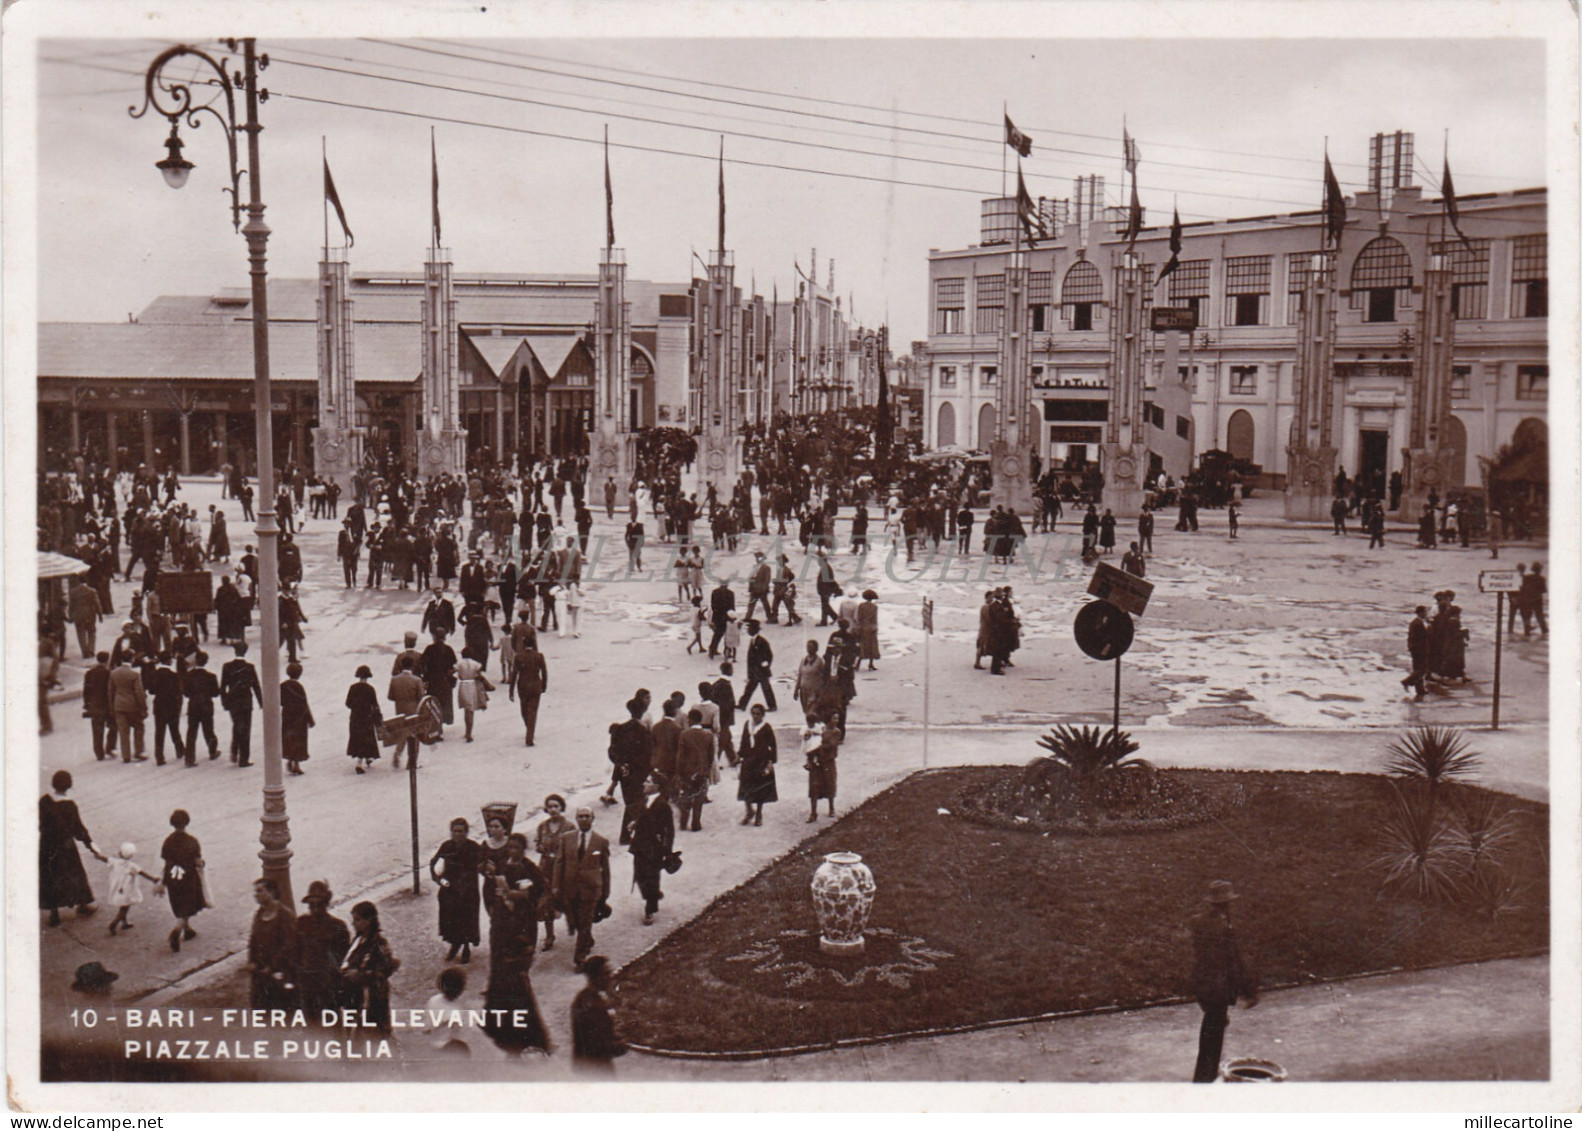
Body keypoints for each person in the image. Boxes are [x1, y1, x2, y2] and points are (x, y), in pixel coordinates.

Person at [1187, 880, 1259, 1083]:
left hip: (1205, 985)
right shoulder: (1224, 927)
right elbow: (1233, 959)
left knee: (1210, 1032)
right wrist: (1248, 990)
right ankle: (1204, 1080)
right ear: (1226, 903)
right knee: (1213, 1038)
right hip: (1219, 987)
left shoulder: (1199, 922)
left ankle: (1204, 1076)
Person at [40, 771, 105, 927]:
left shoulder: (44, 801)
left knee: (50, 877)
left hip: (47, 845)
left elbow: (40, 823)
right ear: (69, 785)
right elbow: (78, 829)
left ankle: (54, 914)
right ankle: (82, 904)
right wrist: (90, 845)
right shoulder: (69, 806)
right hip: (65, 847)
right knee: (75, 875)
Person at [553, 807, 612, 971]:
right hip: (570, 886)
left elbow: (605, 869)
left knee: (585, 921)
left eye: (587, 816)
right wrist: (556, 886)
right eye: (580, 816)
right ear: (576, 819)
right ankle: (588, 939)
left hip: (590, 888)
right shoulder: (566, 838)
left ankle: (580, 957)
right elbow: (559, 863)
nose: (584, 819)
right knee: (575, 919)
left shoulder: (600, 841)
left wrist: (605, 891)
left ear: (593, 818)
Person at [341, 901, 400, 1034]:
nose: (353, 923)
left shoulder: (379, 943)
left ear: (368, 921)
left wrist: (360, 975)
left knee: (372, 1031)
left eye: (357, 920)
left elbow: (386, 969)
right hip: (356, 995)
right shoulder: (358, 940)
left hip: (372, 997)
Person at [430, 818, 483, 964]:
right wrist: (439, 879)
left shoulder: (473, 847)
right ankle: (454, 944)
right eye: (454, 831)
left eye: (460, 831)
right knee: (451, 919)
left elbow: (483, 863)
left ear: (466, 832)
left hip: (467, 891)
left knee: (466, 919)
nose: (457, 834)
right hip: (450, 890)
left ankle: (466, 947)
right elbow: (435, 863)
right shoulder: (446, 846)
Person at [294, 880, 350, 1015]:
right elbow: (295, 951)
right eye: (311, 905)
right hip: (306, 980)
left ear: (326, 904)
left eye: (319, 905)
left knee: (331, 1016)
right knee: (309, 1018)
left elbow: (344, 957)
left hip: (328, 982)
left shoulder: (338, 926)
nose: (315, 909)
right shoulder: (301, 923)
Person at [571, 955, 628, 1074]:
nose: (610, 977)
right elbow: (597, 1045)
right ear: (595, 977)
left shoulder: (587, 997)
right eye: (606, 974)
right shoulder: (592, 1006)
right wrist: (620, 1046)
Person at [629, 783, 675, 925]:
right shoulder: (645, 800)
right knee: (639, 875)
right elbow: (643, 818)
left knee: (651, 877)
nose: (644, 783)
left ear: (656, 786)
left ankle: (650, 909)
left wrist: (667, 850)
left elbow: (670, 830)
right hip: (639, 845)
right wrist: (635, 824)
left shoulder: (663, 806)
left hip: (654, 848)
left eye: (648, 781)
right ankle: (654, 894)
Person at [247, 878, 298, 1009]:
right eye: (255, 891)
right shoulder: (260, 914)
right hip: (260, 972)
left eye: (260, 891)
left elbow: (289, 944)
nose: (256, 895)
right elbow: (253, 940)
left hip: (279, 971)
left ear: (271, 892)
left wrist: (272, 966)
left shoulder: (285, 915)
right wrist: (252, 961)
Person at [533, 796, 572, 952]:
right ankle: (549, 935)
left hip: (562, 868)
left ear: (561, 807)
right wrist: (541, 848)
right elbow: (537, 844)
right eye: (550, 807)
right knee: (546, 902)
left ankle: (579, 929)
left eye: (556, 806)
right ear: (546, 809)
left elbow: (573, 847)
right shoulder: (542, 827)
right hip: (546, 868)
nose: (553, 809)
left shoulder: (569, 826)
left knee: (567, 900)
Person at [220, 642, 263, 767]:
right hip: (246, 703)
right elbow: (256, 686)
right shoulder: (250, 667)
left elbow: (222, 686)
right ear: (246, 652)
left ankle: (234, 751)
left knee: (237, 725)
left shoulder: (227, 666)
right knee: (245, 729)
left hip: (233, 702)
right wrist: (261, 702)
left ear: (235, 651)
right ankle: (243, 758)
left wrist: (224, 702)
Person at [104, 843, 159, 937]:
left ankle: (124, 923)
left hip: (118, 888)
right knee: (124, 908)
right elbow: (142, 873)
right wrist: (153, 879)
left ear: (120, 853)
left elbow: (103, 858)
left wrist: (95, 852)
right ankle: (114, 923)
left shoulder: (115, 862)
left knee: (123, 906)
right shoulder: (132, 866)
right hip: (127, 891)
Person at [738, 703, 778, 826]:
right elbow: (743, 741)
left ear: (763, 715)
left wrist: (770, 762)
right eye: (753, 713)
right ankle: (749, 811)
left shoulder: (766, 728)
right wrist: (740, 756)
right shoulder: (747, 725)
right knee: (745, 786)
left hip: (761, 761)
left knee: (760, 788)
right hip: (748, 760)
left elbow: (772, 745)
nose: (755, 716)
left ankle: (759, 814)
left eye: (758, 714)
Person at [109, 653, 149, 763]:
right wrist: (143, 707)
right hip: (132, 705)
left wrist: (112, 707)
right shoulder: (134, 674)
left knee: (123, 731)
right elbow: (139, 692)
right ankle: (138, 752)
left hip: (118, 705)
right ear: (132, 659)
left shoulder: (114, 673)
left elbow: (110, 691)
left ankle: (125, 755)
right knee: (139, 727)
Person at [512, 632, 549, 746]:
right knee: (532, 711)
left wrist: (511, 691)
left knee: (524, 711)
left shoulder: (518, 656)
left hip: (523, 686)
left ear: (523, 644)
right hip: (535, 686)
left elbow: (514, 674)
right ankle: (530, 732)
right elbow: (544, 672)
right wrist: (544, 685)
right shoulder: (539, 656)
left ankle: (529, 731)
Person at [346, 665, 384, 773]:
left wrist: (356, 708)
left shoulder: (353, 688)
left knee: (357, 739)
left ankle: (368, 758)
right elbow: (375, 705)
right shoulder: (370, 689)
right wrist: (378, 716)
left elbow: (348, 703)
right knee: (365, 739)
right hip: (367, 718)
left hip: (355, 718)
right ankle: (359, 764)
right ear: (368, 676)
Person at [420, 628, 459, 732]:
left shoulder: (429, 649)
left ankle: (437, 728)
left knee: (434, 705)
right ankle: (441, 725)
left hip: (433, 682)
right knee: (444, 704)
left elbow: (423, 664)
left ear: (434, 637)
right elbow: (453, 665)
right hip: (445, 682)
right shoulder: (448, 649)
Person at [280, 661, 314, 776]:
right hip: (299, 718)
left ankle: (290, 759)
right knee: (298, 740)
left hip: (287, 716)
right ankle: (296, 765)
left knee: (289, 738)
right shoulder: (299, 687)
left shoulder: (283, 685)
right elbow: (304, 704)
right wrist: (310, 720)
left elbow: (280, 701)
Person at [83, 652, 117, 761]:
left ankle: (99, 753)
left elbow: (86, 690)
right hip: (107, 705)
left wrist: (87, 703)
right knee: (113, 726)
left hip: (94, 705)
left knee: (97, 730)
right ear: (107, 660)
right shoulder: (109, 673)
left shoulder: (89, 673)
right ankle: (110, 747)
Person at [456, 650, 495, 743]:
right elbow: (479, 676)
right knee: (471, 710)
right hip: (472, 685)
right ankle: (469, 733)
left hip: (463, 685)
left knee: (466, 710)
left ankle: (467, 732)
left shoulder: (459, 664)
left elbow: (454, 673)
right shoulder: (475, 664)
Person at [738, 620, 777, 711]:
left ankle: (772, 706)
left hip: (761, 671)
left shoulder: (762, 641)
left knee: (765, 689)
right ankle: (742, 704)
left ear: (754, 629)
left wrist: (765, 665)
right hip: (754, 671)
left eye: (749, 628)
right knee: (750, 688)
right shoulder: (753, 640)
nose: (748, 630)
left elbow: (769, 655)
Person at [793, 639, 827, 725]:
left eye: (811, 647)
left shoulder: (819, 661)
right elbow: (800, 675)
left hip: (814, 691)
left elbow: (824, 677)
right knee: (806, 710)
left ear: (816, 649)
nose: (809, 648)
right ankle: (811, 726)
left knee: (812, 711)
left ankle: (814, 727)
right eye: (808, 646)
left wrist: (822, 691)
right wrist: (796, 690)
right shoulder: (803, 660)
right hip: (803, 692)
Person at [1402, 606, 1430, 702]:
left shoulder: (1417, 622)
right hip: (1419, 650)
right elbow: (1416, 638)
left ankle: (1420, 689)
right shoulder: (1417, 623)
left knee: (1418, 668)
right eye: (1425, 612)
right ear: (1421, 613)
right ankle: (1406, 681)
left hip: (1417, 649)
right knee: (1422, 669)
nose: (1426, 613)